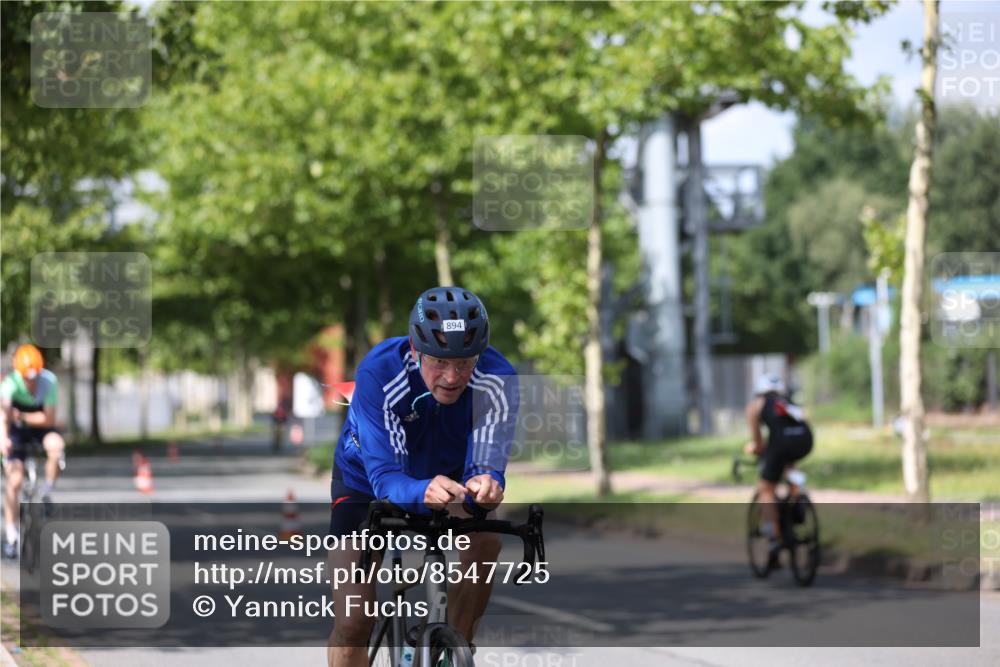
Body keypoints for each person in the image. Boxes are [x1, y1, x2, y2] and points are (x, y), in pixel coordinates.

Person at [327, 287, 518, 667]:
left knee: (486, 538)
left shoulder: (497, 378)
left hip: (447, 479)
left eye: (465, 362)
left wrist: (486, 483)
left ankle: (455, 649)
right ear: (415, 352)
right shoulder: (380, 372)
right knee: (353, 623)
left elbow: (485, 462)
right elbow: (384, 477)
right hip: (364, 482)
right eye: (438, 361)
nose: (452, 376)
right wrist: (419, 490)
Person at [1, 344, 67, 559]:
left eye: (35, 376)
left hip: (41, 429)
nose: (31, 381)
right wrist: (3, 438)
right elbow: (4, 415)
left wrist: (23, 416)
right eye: (27, 378)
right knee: (14, 481)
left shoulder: (48, 382)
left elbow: (48, 419)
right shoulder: (9, 384)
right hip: (17, 433)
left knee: (56, 446)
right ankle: (11, 536)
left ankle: (47, 489)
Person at [744, 372, 813, 566]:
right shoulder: (789, 402)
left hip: (780, 444)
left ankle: (773, 537)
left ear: (759, 391)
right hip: (804, 440)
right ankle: (798, 495)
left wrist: (755, 448)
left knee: (766, 488)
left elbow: (758, 442)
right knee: (789, 465)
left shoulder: (756, 406)